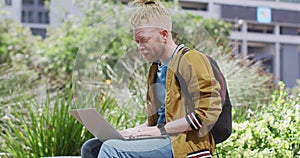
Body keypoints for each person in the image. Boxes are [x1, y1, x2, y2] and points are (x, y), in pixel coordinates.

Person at [81, 0, 222, 157]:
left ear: (164, 34)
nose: (140, 46)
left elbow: (207, 111)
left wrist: (155, 131)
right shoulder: (155, 69)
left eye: (144, 40)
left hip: (184, 143)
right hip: (162, 138)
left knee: (112, 148)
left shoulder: (191, 59)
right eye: (137, 42)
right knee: (91, 147)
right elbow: (157, 121)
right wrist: (132, 132)